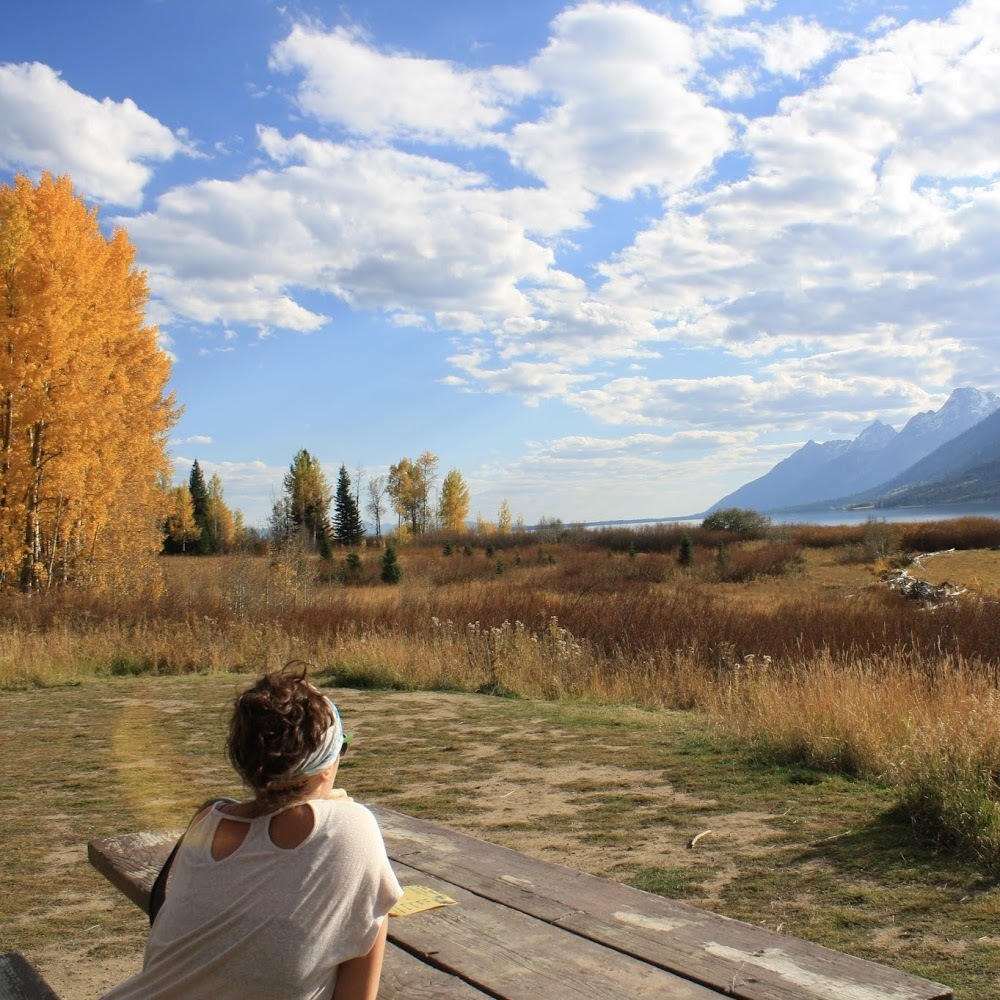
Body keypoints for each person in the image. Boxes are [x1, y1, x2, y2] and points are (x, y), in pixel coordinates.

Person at [104, 668, 403, 1000]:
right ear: (325, 764)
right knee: (371, 909)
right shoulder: (351, 828)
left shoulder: (207, 820)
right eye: (341, 747)